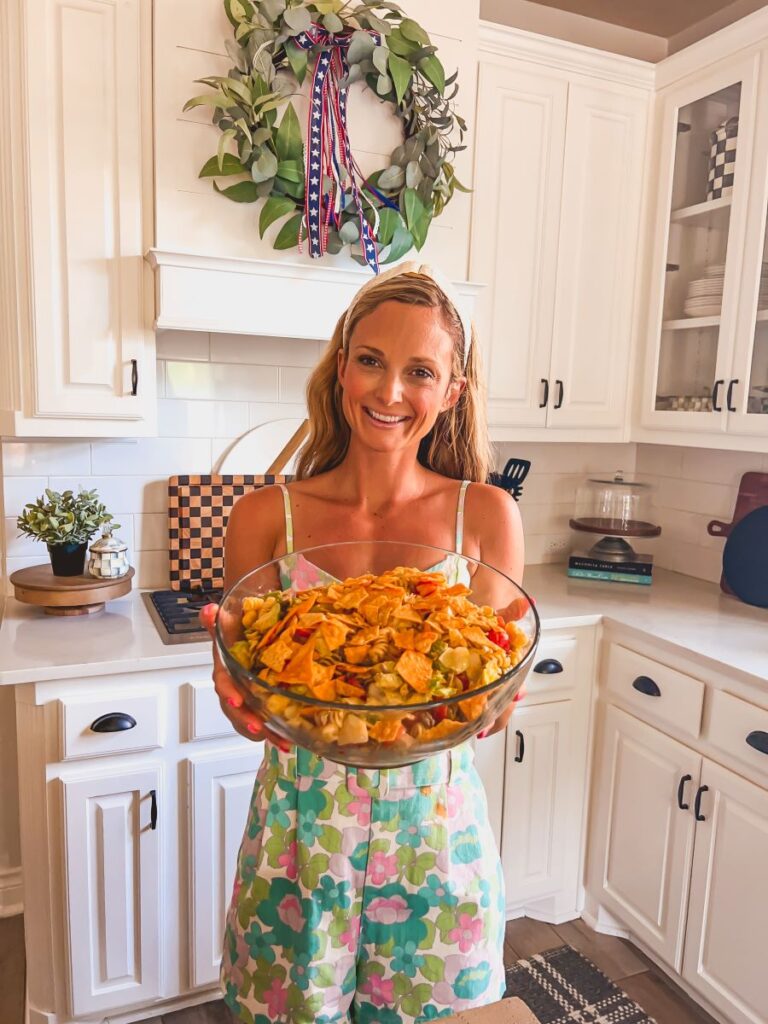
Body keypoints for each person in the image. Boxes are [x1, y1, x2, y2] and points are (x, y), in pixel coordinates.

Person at [201, 262, 525, 1024]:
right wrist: (231, 689)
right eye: (371, 361)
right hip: (299, 839)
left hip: (436, 841)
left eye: (420, 371)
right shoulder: (262, 517)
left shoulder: (485, 516)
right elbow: (247, 688)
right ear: (341, 366)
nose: (388, 393)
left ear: (452, 391)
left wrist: (507, 693)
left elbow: (497, 680)